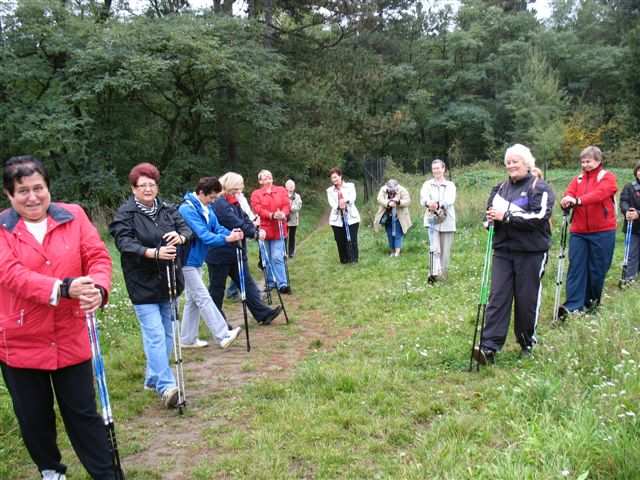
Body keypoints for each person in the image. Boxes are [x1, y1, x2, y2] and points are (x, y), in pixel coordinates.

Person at [0, 156, 114, 479]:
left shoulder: (74, 215)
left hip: (70, 335)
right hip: (20, 342)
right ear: (10, 195)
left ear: (49, 188)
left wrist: (99, 289)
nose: (33, 196)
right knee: (34, 418)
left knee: (83, 414)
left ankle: (106, 473)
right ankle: (51, 470)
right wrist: (64, 288)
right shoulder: (1, 229)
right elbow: (11, 275)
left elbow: (98, 257)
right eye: (23, 190)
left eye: (39, 188)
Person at [109, 162, 192, 409]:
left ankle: (152, 377)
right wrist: (152, 253)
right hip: (142, 283)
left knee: (168, 333)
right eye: (142, 185)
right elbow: (124, 243)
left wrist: (181, 237)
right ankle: (167, 386)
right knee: (155, 335)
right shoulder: (125, 214)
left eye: (152, 184)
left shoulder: (167, 209)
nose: (147, 189)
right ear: (133, 189)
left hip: (169, 280)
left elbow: (186, 229)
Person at [473, 144, 555, 365]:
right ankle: (489, 347)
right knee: (497, 298)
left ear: (526, 163)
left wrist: (507, 216)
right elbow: (491, 213)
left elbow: (539, 217)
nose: (511, 165)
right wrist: (488, 221)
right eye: (508, 162)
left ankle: (527, 342)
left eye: (515, 161)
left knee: (526, 299)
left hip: (531, 252)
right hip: (503, 250)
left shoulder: (540, 187)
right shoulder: (499, 188)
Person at [207, 172, 283, 325]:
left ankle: (263, 314)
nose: (239, 191)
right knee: (217, 289)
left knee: (247, 283)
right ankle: (218, 323)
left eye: (240, 188)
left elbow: (244, 219)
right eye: (237, 188)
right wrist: (254, 234)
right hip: (219, 252)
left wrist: (254, 228)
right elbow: (233, 222)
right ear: (228, 187)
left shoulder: (233, 200)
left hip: (236, 250)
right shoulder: (220, 203)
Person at [178, 177, 243, 349]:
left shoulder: (205, 208)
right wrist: (227, 239)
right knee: (202, 297)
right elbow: (204, 235)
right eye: (211, 197)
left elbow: (216, 228)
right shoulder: (187, 209)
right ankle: (222, 335)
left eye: (215, 197)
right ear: (200, 193)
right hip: (186, 260)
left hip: (197, 259)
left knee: (193, 300)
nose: (213, 201)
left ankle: (187, 339)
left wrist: (232, 233)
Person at [558, 146, 618, 319]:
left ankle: (591, 303)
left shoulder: (607, 177)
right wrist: (566, 200)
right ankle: (573, 306)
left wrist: (578, 200)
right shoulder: (577, 179)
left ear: (598, 161)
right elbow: (570, 192)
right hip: (579, 231)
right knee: (576, 268)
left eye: (589, 161)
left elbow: (600, 194)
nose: (585, 165)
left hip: (603, 231)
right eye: (583, 162)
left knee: (597, 269)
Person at [250, 170, 290, 294]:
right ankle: (270, 282)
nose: (268, 179)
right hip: (264, 229)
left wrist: (282, 213)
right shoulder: (256, 194)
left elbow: (286, 205)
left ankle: (282, 283)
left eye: (269, 177)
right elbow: (257, 209)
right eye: (265, 178)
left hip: (279, 228)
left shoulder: (281, 190)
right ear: (260, 181)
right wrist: (271, 215)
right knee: (266, 258)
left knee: (277, 256)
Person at [420, 159, 457, 281]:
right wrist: (428, 203)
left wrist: (438, 204)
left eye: (438, 168)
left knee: (445, 250)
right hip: (432, 219)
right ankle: (432, 274)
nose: (436, 171)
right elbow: (423, 199)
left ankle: (443, 273)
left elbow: (450, 200)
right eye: (434, 168)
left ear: (443, 169)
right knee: (434, 248)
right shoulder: (427, 184)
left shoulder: (450, 185)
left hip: (447, 220)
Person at [327, 167, 360, 263]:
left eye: (335, 177)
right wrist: (338, 206)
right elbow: (332, 203)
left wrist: (345, 201)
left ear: (340, 176)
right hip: (336, 219)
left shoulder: (350, 186)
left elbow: (352, 198)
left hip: (351, 217)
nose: (334, 180)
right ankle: (344, 259)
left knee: (352, 238)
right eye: (332, 178)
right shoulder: (329, 190)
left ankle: (353, 258)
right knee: (340, 240)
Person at [373, 179, 412, 257]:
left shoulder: (402, 190)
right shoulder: (383, 189)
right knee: (389, 234)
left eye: (393, 190)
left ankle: (397, 252)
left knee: (398, 234)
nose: (392, 191)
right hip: (387, 216)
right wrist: (388, 203)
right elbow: (379, 199)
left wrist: (398, 202)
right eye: (390, 190)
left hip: (399, 217)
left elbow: (407, 201)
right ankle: (392, 251)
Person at [620, 161, 640, 282]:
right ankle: (629, 278)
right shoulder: (629, 187)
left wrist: (639, 214)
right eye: (639, 170)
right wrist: (627, 211)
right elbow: (623, 201)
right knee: (631, 254)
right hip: (633, 226)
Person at [285, 179, 302, 258]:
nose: (291, 187)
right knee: (284, 236)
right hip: (285, 219)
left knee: (292, 236)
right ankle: (284, 251)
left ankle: (291, 252)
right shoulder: (283, 195)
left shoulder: (297, 196)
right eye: (289, 186)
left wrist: (290, 208)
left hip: (294, 220)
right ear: (286, 187)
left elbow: (298, 206)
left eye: (292, 186)